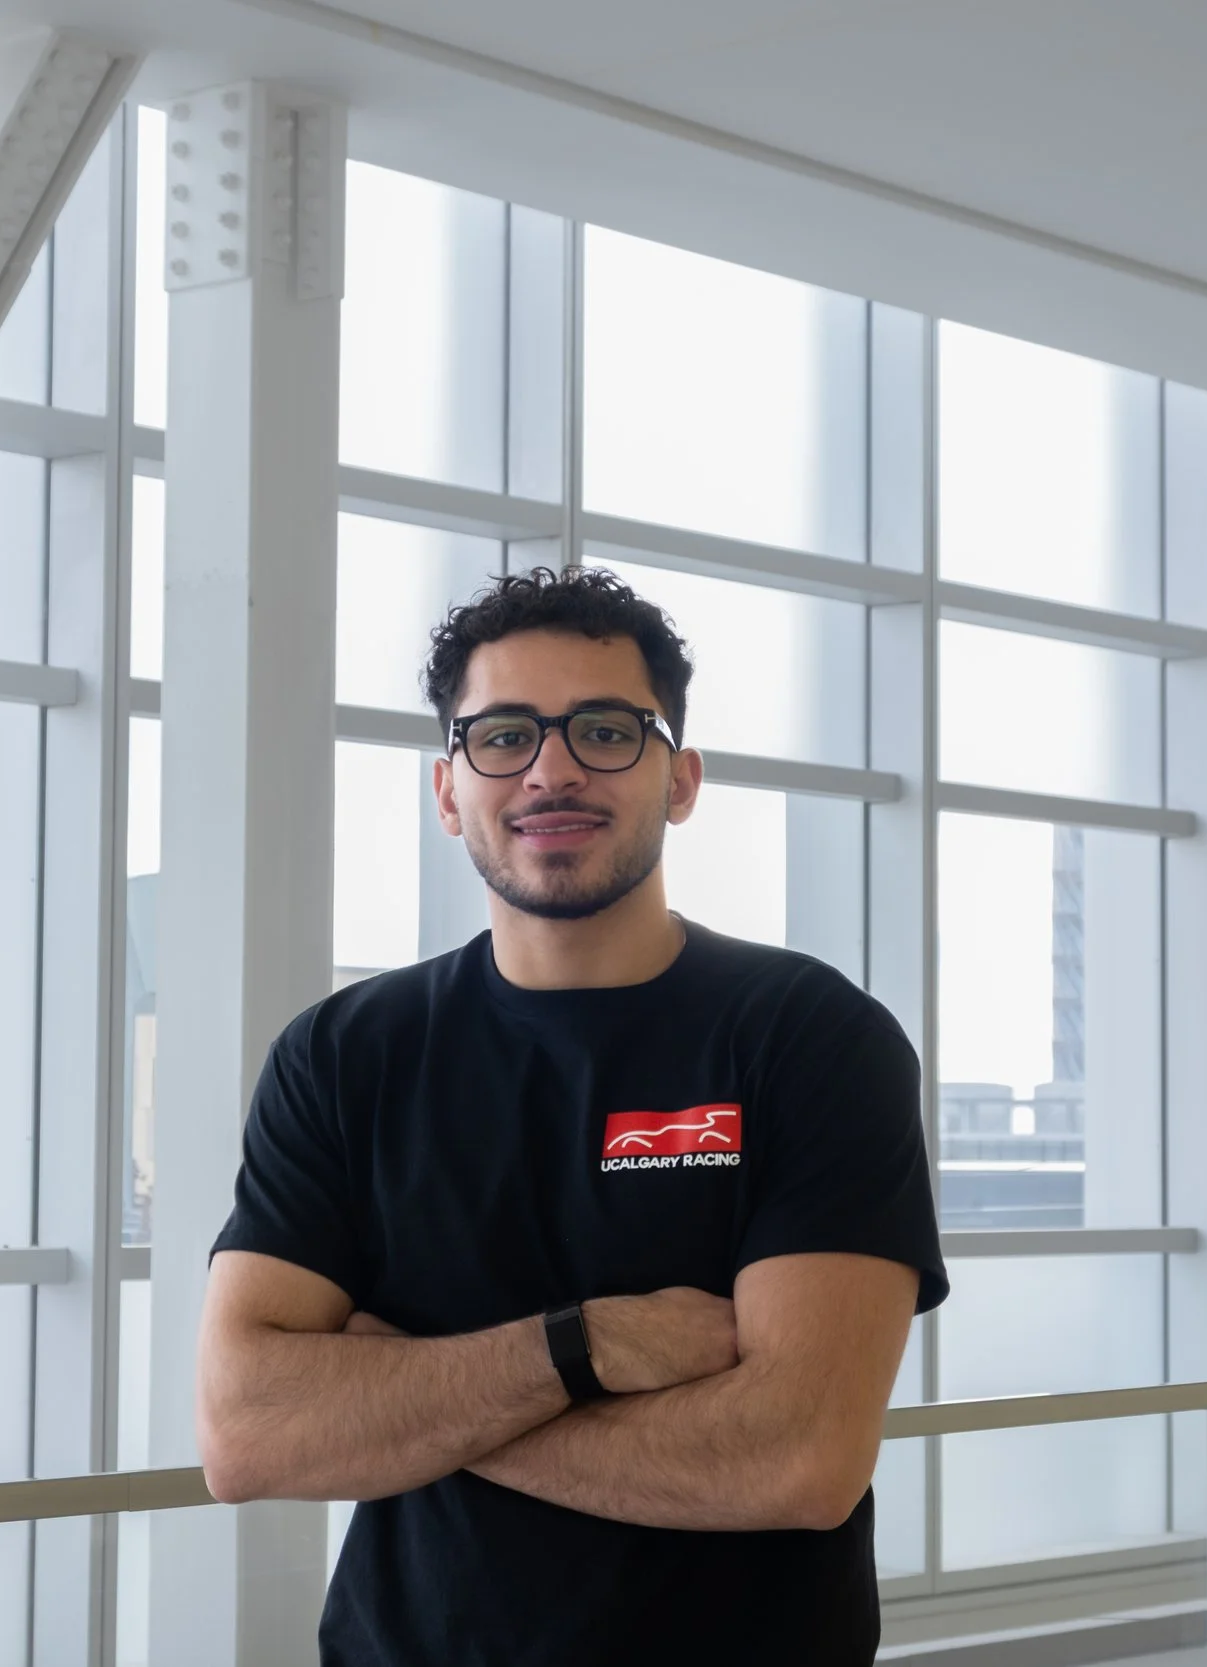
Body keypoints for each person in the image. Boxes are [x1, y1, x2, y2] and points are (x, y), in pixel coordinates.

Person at [195, 566, 947, 1665]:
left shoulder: (810, 1037)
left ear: (680, 779)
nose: (551, 769)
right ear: (447, 789)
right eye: (503, 735)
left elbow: (797, 1460)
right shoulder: (345, 1054)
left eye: (604, 729)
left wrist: (409, 1395)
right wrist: (586, 1345)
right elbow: (246, 1432)